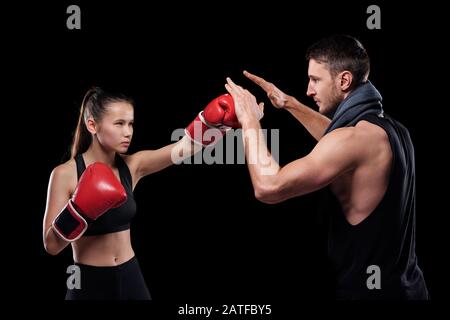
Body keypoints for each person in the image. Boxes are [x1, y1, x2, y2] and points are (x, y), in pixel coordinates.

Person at [224, 34, 429, 299]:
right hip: (410, 290)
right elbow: (337, 139)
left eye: (315, 80)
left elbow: (268, 186)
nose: (308, 90)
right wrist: (289, 104)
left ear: (344, 80)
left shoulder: (352, 140)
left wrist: (250, 121)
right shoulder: (390, 130)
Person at [43, 86, 240, 299]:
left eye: (130, 124)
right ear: (92, 125)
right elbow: (51, 246)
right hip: (87, 279)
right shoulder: (64, 174)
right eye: (119, 124)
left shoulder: (133, 165)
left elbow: (186, 148)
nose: (128, 132)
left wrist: (214, 122)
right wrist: (79, 210)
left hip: (130, 274)